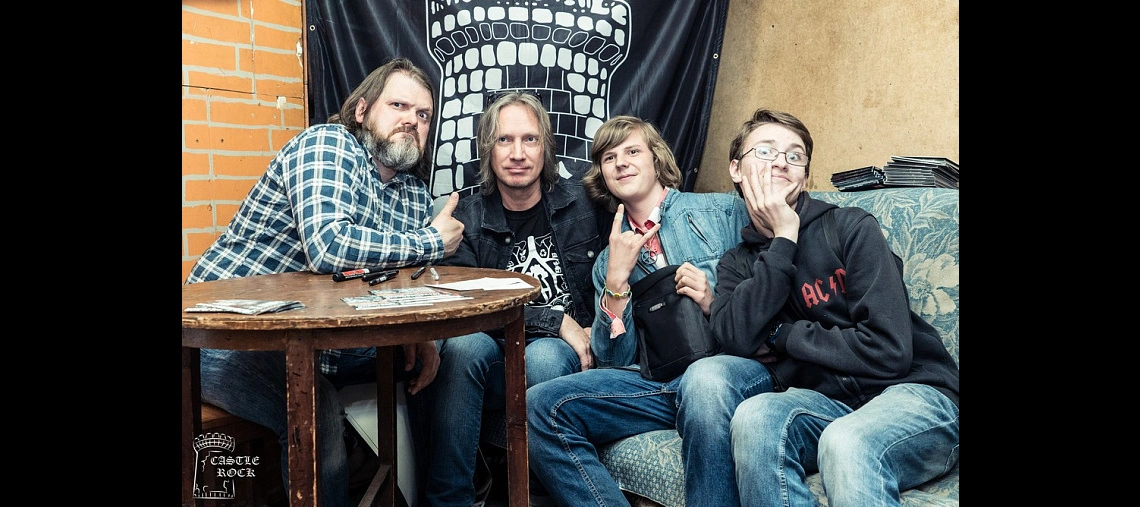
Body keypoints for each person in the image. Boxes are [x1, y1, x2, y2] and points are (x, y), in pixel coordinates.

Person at [184, 57, 465, 506]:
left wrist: (421, 334)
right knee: (315, 406)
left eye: (423, 114)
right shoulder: (329, 144)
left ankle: (441, 497)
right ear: (362, 111)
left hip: (317, 339)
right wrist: (432, 241)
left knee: (454, 351)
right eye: (398, 105)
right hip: (225, 336)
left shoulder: (413, 193)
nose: (412, 120)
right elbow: (329, 247)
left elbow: (397, 280)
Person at [709, 108, 960, 506]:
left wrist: (782, 333)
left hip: (916, 394)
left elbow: (889, 352)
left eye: (794, 156)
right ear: (736, 169)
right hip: (831, 405)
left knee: (846, 442)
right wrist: (784, 239)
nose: (781, 162)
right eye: (766, 151)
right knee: (753, 417)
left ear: (805, 177)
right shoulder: (737, 263)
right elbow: (735, 340)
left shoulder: (850, 227)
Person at [526, 115, 756, 506]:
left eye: (632, 151)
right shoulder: (606, 260)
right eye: (609, 158)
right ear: (602, 175)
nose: (621, 163)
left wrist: (713, 303)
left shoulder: (722, 212)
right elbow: (614, 359)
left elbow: (766, 295)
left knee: (704, 380)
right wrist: (616, 281)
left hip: (727, 372)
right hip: (659, 383)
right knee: (540, 407)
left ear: (656, 159)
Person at [416, 91, 609, 505]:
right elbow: (464, 306)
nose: (517, 154)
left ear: (546, 147)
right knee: (465, 346)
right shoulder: (466, 218)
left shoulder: (584, 202)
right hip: (495, 358)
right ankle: (450, 501)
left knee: (543, 357)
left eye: (529, 139)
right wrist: (553, 320)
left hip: (561, 355)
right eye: (504, 140)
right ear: (488, 149)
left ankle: (536, 497)